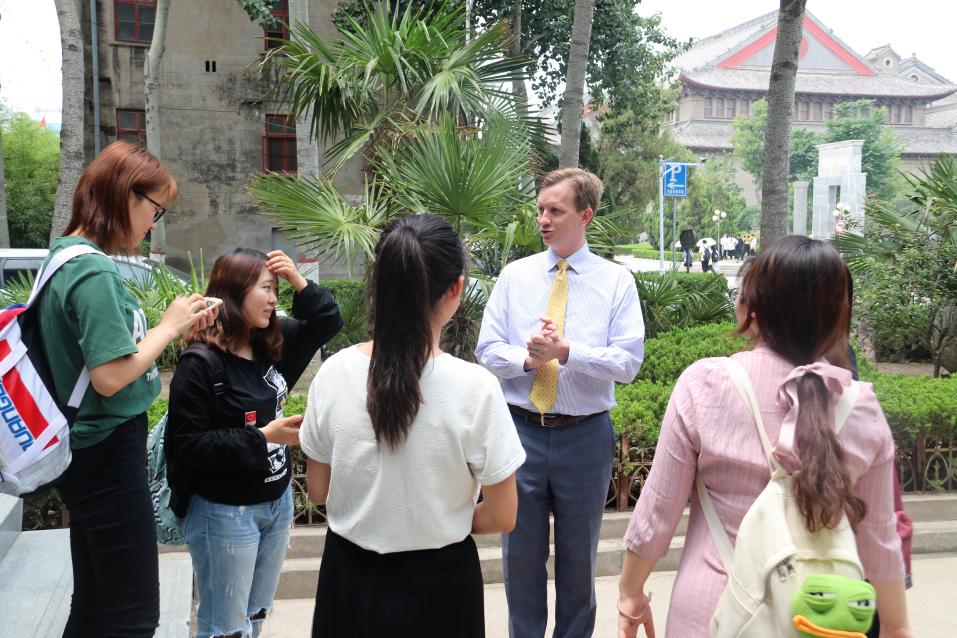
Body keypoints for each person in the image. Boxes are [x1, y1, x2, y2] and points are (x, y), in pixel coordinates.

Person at [617, 236, 913, 638]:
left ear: (752, 309)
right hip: (820, 620)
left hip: (713, 612)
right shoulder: (861, 408)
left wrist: (630, 593)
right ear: (837, 318)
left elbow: (657, 513)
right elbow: (879, 540)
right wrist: (896, 626)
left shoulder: (705, 383)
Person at [300, 214, 526, 638]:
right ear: (456, 288)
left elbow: (317, 491)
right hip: (442, 589)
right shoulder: (476, 389)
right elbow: (504, 513)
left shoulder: (332, 374)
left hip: (347, 582)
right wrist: (448, 517)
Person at [37, 140, 215, 637]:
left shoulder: (63, 255)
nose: (154, 223)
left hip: (85, 451)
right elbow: (110, 376)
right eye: (155, 209)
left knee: (96, 605)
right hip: (106, 456)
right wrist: (171, 325)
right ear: (124, 195)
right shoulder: (90, 268)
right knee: (134, 616)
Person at [476, 168, 645, 637]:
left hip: (585, 436)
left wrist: (567, 352)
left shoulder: (616, 282)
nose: (544, 221)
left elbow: (628, 362)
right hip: (520, 431)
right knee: (520, 561)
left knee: (578, 564)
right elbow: (487, 350)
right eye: (540, 211)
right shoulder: (515, 277)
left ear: (585, 215)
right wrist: (529, 359)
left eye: (556, 211)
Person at [165, 247, 342, 638]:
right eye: (266, 288)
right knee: (225, 626)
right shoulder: (201, 363)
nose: (275, 298)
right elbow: (190, 445)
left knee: (257, 614)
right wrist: (264, 437)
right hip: (224, 512)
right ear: (234, 291)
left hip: (275, 506)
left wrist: (298, 279)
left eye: (277, 288)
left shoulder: (271, 346)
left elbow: (328, 320)